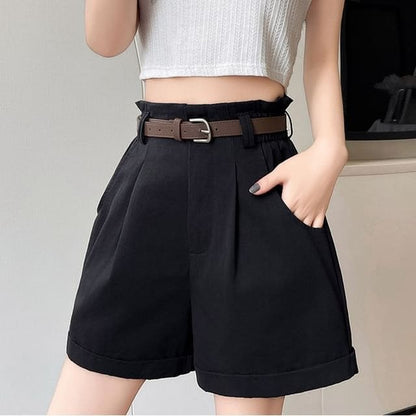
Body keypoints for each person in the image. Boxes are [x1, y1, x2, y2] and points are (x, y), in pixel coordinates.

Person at [48, 0, 359, 414]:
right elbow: (106, 41)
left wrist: (331, 148)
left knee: (247, 399)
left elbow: (322, 61)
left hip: (257, 177)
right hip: (156, 168)